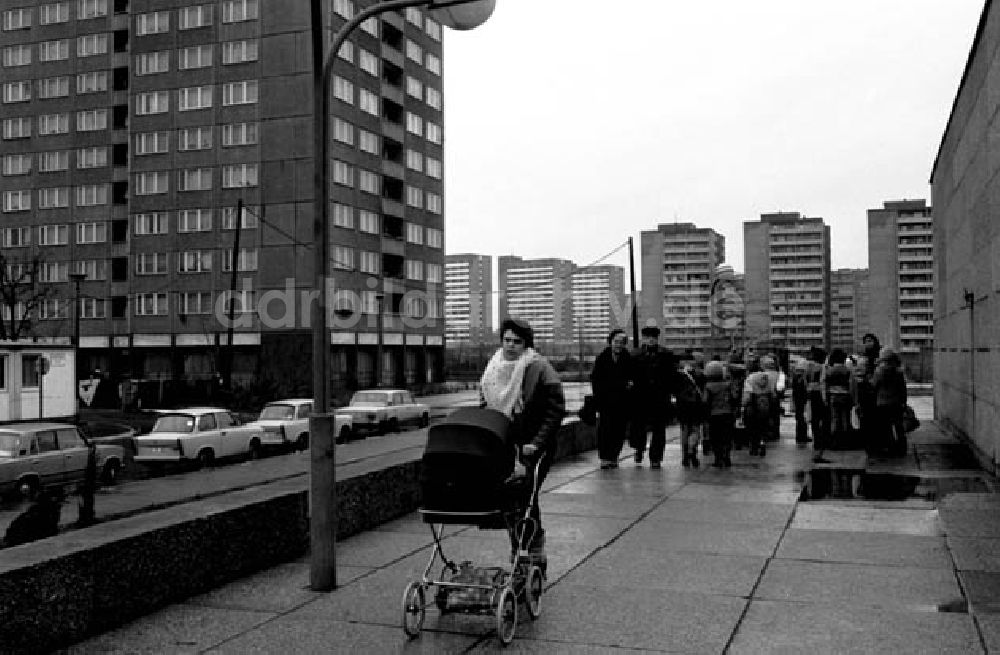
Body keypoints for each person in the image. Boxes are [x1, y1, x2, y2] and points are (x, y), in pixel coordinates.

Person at [479, 318, 566, 570]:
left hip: (533, 445)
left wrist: (536, 443)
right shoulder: (493, 366)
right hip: (505, 441)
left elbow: (555, 410)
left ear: (526, 343)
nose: (511, 345)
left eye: (517, 341)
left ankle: (533, 547)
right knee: (508, 496)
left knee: (527, 494)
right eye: (507, 340)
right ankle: (519, 546)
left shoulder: (539, 367)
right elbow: (484, 403)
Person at [629, 325, 676, 469]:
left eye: (653, 338)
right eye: (648, 338)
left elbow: (671, 375)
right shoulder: (635, 355)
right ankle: (639, 448)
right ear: (644, 338)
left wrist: (670, 392)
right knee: (638, 426)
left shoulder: (666, 354)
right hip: (640, 397)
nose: (650, 340)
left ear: (657, 339)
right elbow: (630, 374)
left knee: (659, 429)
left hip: (660, 397)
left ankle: (655, 458)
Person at [590, 329, 633, 469]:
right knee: (605, 429)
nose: (618, 345)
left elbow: (633, 377)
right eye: (616, 342)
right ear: (610, 342)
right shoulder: (602, 358)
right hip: (606, 401)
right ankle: (604, 457)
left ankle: (614, 456)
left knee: (619, 430)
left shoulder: (628, 358)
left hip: (622, 401)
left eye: (621, 342)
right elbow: (595, 379)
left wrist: (630, 384)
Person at [871, 346, 908, 456]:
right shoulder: (898, 372)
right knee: (898, 426)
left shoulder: (879, 371)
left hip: (882, 403)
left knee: (885, 427)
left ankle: (889, 447)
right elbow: (903, 389)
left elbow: (874, 386)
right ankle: (902, 448)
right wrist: (904, 402)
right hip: (896, 402)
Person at [703, 360, 737, 467]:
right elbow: (734, 397)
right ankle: (727, 456)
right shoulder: (727, 385)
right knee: (727, 437)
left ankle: (718, 458)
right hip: (727, 413)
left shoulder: (708, 386)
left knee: (715, 437)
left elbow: (705, 401)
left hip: (714, 415)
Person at [675, 362, 705, 468]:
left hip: (683, 408)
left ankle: (685, 457)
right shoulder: (700, 377)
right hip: (696, 408)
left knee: (684, 432)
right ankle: (692, 449)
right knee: (695, 430)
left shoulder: (679, 377)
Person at [742, 365, 777, 457]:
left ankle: (754, 448)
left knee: (753, 427)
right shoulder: (768, 378)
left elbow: (747, 396)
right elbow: (773, 395)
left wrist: (744, 405)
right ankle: (762, 443)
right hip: (766, 406)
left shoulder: (750, 379)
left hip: (753, 406)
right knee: (763, 427)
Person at [824, 348, 854, 448]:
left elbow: (825, 383)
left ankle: (836, 441)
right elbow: (851, 383)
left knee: (835, 418)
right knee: (846, 418)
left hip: (833, 395)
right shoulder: (847, 370)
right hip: (845, 395)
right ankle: (846, 440)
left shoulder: (830, 371)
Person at [856, 333, 881, 443]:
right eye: (866, 341)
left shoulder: (880, 355)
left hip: (877, 390)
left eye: (870, 340)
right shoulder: (863, 357)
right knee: (865, 416)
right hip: (865, 390)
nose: (868, 343)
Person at [790, 359, 810, 443]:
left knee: (799, 418)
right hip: (802, 401)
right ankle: (802, 436)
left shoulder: (795, 378)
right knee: (803, 418)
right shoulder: (803, 379)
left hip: (797, 400)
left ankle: (800, 436)